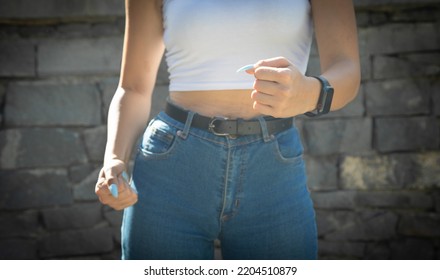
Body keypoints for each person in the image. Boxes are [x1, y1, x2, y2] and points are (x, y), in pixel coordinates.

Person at [95, 0, 360, 260]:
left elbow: (347, 70)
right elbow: (133, 88)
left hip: (272, 169)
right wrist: (115, 157)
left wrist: (311, 92)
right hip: (172, 167)